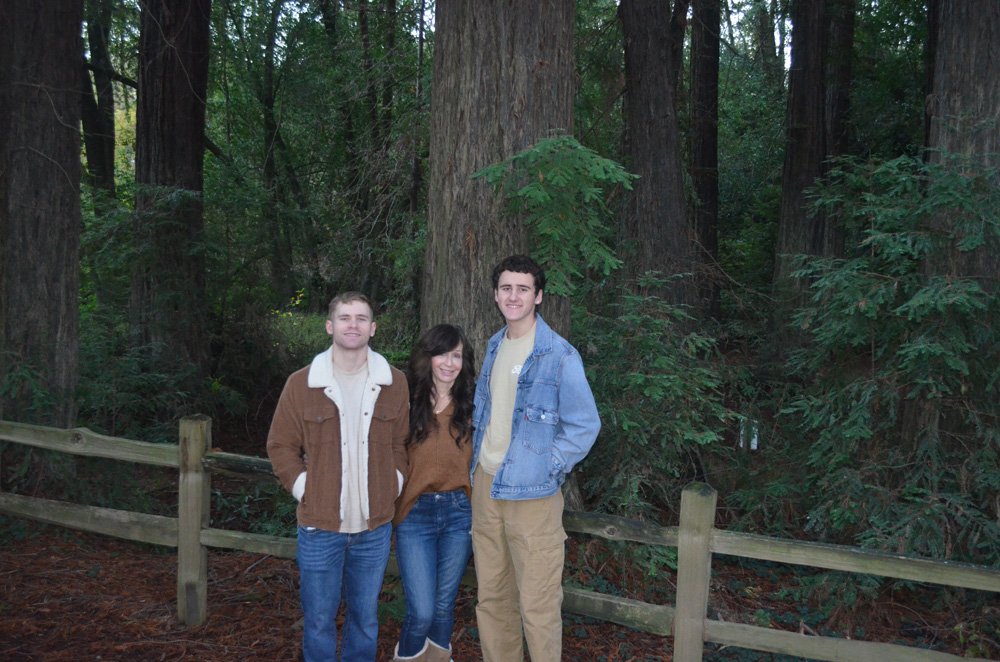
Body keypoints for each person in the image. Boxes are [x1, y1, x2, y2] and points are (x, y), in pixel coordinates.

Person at [470, 254, 601, 662]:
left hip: (533, 496)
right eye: (506, 288)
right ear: (496, 295)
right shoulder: (494, 346)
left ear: (538, 296)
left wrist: (547, 465)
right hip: (486, 487)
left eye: (523, 289)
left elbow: (585, 425)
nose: (514, 296)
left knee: (538, 605)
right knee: (493, 599)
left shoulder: (559, 355)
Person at [266, 292, 409, 662]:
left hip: (374, 528)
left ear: (373, 328)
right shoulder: (302, 384)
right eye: (345, 318)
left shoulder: (394, 382)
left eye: (361, 318)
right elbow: (280, 445)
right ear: (330, 326)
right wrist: (305, 489)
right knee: (318, 620)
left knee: (365, 619)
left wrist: (393, 484)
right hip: (320, 526)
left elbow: (401, 443)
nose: (353, 325)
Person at [391, 324, 477, 662]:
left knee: (443, 608)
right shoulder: (406, 401)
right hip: (416, 514)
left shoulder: (473, 405)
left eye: (457, 355)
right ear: (427, 357)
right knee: (422, 611)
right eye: (442, 354)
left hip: (459, 513)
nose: (449, 363)